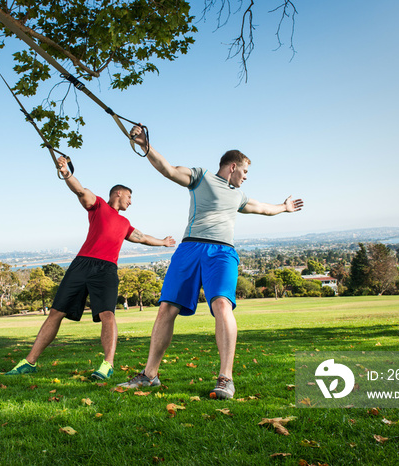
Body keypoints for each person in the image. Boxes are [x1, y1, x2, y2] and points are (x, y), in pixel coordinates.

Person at [119, 126, 304, 399]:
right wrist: (146, 146)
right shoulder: (201, 176)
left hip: (222, 253)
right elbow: (168, 169)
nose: (246, 177)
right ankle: (149, 375)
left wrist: (283, 207)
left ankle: (225, 378)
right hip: (190, 248)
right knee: (167, 308)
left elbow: (263, 208)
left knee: (221, 304)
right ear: (233, 166)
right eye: (245, 171)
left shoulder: (238, 195)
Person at [6, 156, 175, 380]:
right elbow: (80, 190)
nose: (131, 202)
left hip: (106, 269)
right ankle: (29, 362)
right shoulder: (98, 206)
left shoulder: (125, 224)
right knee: (56, 312)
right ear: (119, 193)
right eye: (129, 197)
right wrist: (66, 173)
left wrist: (163, 242)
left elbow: (142, 237)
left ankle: (107, 364)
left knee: (107, 314)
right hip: (81, 264)